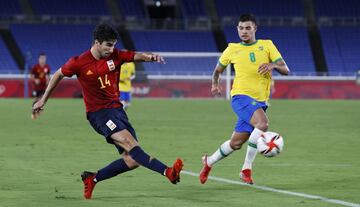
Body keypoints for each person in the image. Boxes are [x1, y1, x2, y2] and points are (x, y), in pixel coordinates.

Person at [32, 24, 183, 199]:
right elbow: (58, 74)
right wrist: (43, 99)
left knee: (132, 159)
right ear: (97, 42)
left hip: (117, 111)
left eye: (113, 45)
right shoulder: (78, 62)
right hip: (99, 114)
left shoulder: (116, 56)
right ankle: (168, 172)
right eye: (108, 45)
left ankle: (92, 178)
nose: (111, 49)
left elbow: (135, 55)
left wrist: (151, 57)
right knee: (129, 143)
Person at [199, 14, 289, 184]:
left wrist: (273, 65)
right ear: (237, 30)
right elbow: (217, 70)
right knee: (262, 124)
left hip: (260, 102)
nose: (244, 31)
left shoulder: (267, 45)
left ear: (255, 28)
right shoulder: (232, 48)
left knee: (235, 143)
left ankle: (208, 161)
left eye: (248, 28)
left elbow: (286, 69)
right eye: (241, 28)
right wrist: (215, 84)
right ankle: (246, 169)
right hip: (240, 97)